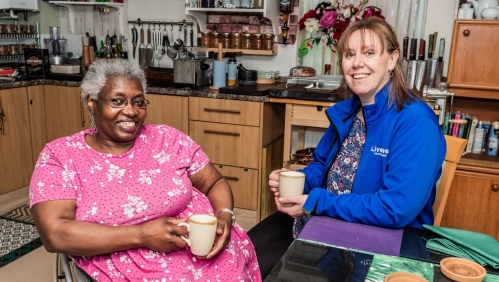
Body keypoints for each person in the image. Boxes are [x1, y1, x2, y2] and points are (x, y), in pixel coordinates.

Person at [248, 16, 446, 278]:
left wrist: (316, 202)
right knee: (240, 254)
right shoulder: (351, 112)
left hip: (379, 244)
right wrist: (297, 180)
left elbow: (395, 209)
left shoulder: (416, 123)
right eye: (350, 54)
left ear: (392, 59)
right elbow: (322, 166)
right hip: (328, 222)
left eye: (369, 52)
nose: (357, 63)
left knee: (269, 273)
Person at [30, 59, 261, 281]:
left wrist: (224, 215)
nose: (131, 111)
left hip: (206, 250)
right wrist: (141, 235)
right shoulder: (61, 156)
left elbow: (214, 182)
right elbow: (55, 234)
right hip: (130, 262)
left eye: (138, 102)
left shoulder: (168, 139)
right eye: (118, 101)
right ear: (92, 102)